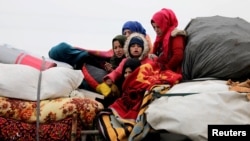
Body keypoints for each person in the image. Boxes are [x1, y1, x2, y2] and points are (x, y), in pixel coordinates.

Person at [150, 8, 187, 74]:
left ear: (166, 24)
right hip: (161, 70)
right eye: (154, 27)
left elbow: (178, 56)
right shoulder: (159, 39)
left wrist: (166, 68)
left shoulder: (176, 36)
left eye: (158, 26)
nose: (156, 30)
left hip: (173, 72)